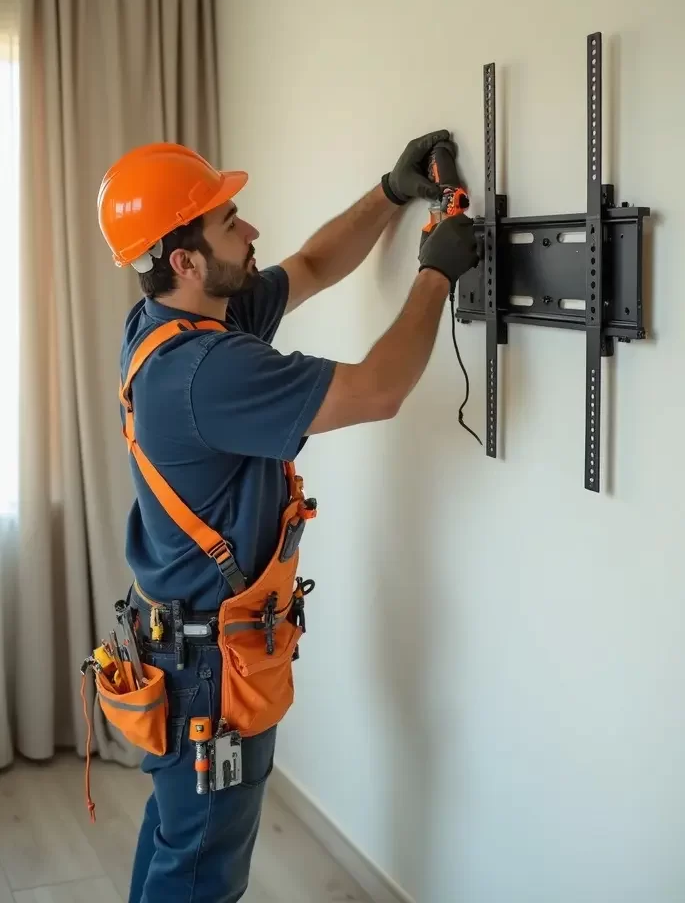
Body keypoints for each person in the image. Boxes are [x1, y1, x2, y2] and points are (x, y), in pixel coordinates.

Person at [97, 131, 479, 903]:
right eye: (229, 220)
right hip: (207, 670)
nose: (251, 231)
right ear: (185, 260)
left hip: (177, 643)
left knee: (180, 843)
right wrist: (436, 274)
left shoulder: (172, 329)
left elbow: (308, 267)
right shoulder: (208, 371)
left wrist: (391, 191)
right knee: (201, 870)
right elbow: (379, 390)